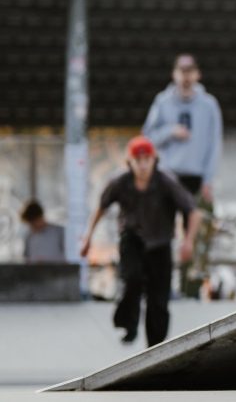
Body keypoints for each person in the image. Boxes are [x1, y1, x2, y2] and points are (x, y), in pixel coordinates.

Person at [80, 136, 201, 346]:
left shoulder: (165, 181)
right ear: (130, 162)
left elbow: (193, 212)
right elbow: (101, 207)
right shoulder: (120, 182)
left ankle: (155, 345)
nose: (143, 166)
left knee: (158, 297)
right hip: (132, 240)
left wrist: (188, 241)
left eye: (147, 160)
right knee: (132, 279)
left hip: (160, 243)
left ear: (154, 160)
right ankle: (128, 323)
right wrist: (88, 238)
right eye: (139, 160)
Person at [142, 53, 222, 296]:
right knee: (161, 232)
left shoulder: (208, 104)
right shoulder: (163, 102)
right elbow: (147, 138)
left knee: (196, 235)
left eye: (190, 72)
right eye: (181, 72)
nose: (186, 77)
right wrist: (170, 131)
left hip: (196, 177)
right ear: (174, 74)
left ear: (197, 75)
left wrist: (208, 179)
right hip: (168, 175)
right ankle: (161, 286)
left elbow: (214, 143)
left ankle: (191, 289)